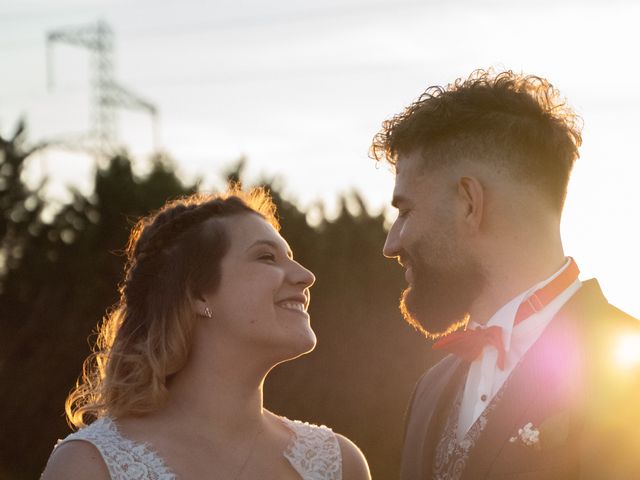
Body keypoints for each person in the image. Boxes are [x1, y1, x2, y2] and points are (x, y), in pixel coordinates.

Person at [371, 69, 640, 479]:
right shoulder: (429, 390)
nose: (391, 245)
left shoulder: (628, 372)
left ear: (469, 203)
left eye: (405, 212)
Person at [42, 187, 370, 480]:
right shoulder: (90, 465)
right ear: (198, 294)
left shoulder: (338, 465)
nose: (306, 276)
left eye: (292, 259)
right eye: (266, 257)